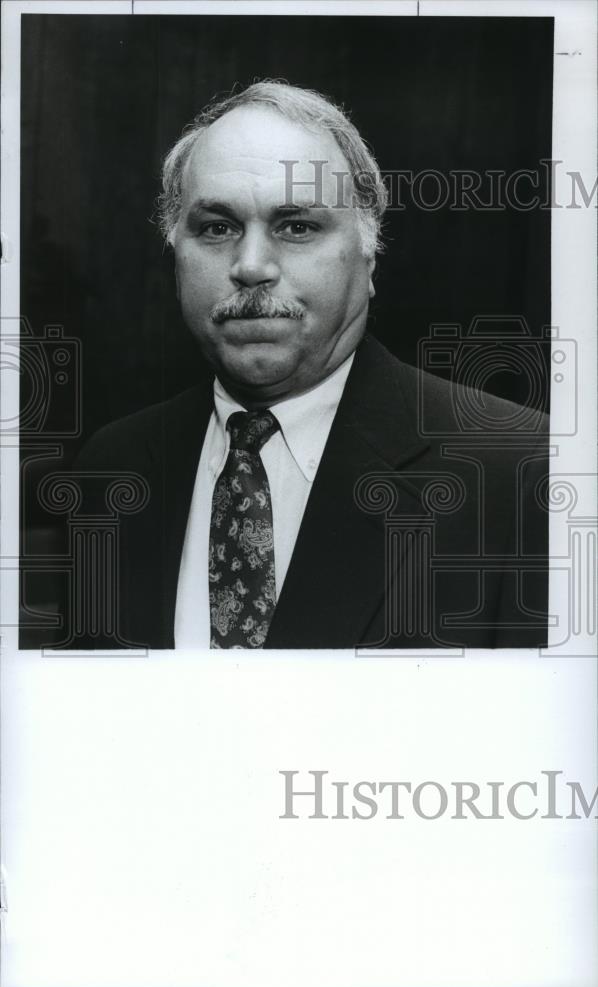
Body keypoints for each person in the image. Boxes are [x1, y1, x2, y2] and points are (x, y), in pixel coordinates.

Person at [73, 80, 549, 650]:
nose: (250, 266)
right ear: (175, 250)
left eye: (296, 227)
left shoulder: (520, 475)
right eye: (217, 228)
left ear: (369, 254)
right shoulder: (113, 466)